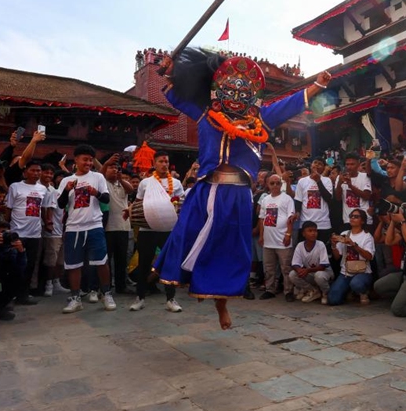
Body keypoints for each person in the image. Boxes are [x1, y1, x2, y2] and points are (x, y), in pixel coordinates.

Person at [154, 49, 333, 329]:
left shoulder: (260, 119)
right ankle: (184, 280)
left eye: (243, 89)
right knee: (186, 236)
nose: (237, 93)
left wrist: (318, 85)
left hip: (238, 196)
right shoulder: (205, 114)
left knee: (231, 251)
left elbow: (291, 104)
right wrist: (167, 70)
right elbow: (174, 94)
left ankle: (221, 306)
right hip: (207, 189)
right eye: (231, 87)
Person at [57, 144, 116, 314]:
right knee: (73, 264)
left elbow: (105, 199)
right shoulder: (66, 181)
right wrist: (66, 191)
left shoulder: (97, 177)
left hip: (94, 225)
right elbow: (61, 205)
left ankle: (106, 293)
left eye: (91, 160)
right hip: (74, 227)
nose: (88, 163)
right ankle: (76, 298)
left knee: (101, 261)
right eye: (85, 159)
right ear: (76, 160)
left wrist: (95, 192)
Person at [130, 151, 184, 312]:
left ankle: (171, 299)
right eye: (161, 161)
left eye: (166, 161)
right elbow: (138, 204)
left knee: (169, 263)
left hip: (168, 229)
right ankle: (140, 297)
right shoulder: (145, 183)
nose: (164, 164)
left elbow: (181, 204)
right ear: (154, 164)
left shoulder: (176, 183)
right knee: (144, 263)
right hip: (147, 228)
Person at [5, 160, 46, 305]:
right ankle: (9, 295)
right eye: (33, 170)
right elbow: (8, 208)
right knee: (14, 264)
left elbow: (44, 209)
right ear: (25, 171)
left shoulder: (43, 189)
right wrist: (7, 227)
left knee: (30, 265)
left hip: (34, 233)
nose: (36, 173)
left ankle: (24, 294)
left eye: (38, 171)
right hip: (18, 232)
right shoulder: (15, 187)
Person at [258, 174, 296, 301]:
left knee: (285, 268)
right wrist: (261, 236)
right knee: (268, 268)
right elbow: (261, 219)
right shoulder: (265, 200)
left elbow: (291, 218)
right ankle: (270, 290)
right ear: (267, 185)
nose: (275, 185)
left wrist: (288, 234)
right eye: (272, 183)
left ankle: (288, 291)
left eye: (277, 183)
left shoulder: (287, 199)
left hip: (282, 240)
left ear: (281, 184)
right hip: (268, 240)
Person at [101, 155, 134, 295]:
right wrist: (106, 163)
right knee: (106, 258)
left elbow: (131, 190)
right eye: (111, 167)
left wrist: (121, 179)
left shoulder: (122, 183)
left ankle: (121, 286)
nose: (114, 170)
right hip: (107, 227)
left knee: (121, 259)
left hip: (122, 226)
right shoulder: (102, 183)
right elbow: (100, 173)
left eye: (116, 168)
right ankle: (106, 286)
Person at [328, 208, 375, 305]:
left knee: (356, 284)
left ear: (362, 221)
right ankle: (349, 291)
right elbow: (337, 257)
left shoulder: (367, 236)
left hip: (363, 271)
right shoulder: (344, 234)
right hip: (346, 272)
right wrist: (333, 245)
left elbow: (369, 256)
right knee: (333, 300)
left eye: (356, 217)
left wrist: (353, 245)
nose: (352, 218)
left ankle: (362, 292)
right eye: (351, 216)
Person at [288, 221, 334, 304]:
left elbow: (323, 266)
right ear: (303, 234)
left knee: (319, 275)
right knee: (292, 274)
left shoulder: (321, 244)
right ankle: (312, 290)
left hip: (324, 273)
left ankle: (325, 293)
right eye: (310, 231)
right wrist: (299, 270)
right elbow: (295, 263)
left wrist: (307, 270)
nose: (313, 233)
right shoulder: (300, 245)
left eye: (315, 231)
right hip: (311, 273)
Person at [294, 157, 334, 246]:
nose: (316, 165)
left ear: (324, 168)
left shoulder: (327, 180)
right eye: (315, 162)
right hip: (305, 223)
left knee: (322, 252)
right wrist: (297, 212)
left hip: (323, 224)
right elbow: (298, 200)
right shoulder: (302, 181)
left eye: (320, 164)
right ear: (311, 165)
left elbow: (328, 198)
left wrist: (318, 181)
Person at [41, 167, 68, 296]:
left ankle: (57, 283)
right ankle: (48, 284)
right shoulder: (54, 192)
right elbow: (49, 209)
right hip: (54, 231)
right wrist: (49, 224)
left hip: (65, 231)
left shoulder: (71, 194)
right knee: (51, 260)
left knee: (60, 261)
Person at [335, 153, 372, 230]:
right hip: (348, 219)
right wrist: (339, 183)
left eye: (352, 164)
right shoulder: (340, 177)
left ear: (358, 164)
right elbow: (338, 198)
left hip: (364, 219)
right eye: (347, 164)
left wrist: (350, 186)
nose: (349, 167)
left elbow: (366, 196)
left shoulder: (365, 176)